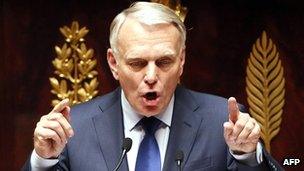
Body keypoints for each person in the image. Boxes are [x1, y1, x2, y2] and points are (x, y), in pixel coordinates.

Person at [23, 2, 282, 171]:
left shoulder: (221, 121)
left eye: (164, 62)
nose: (151, 76)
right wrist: (43, 160)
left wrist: (247, 156)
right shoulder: (74, 127)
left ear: (181, 61)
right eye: (136, 63)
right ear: (113, 63)